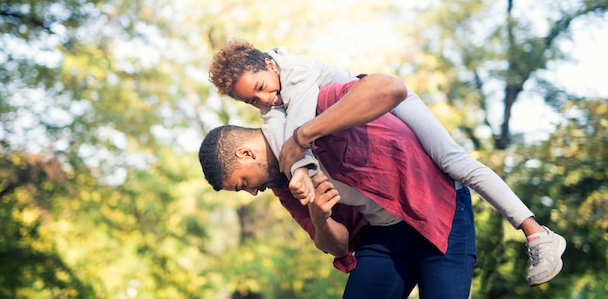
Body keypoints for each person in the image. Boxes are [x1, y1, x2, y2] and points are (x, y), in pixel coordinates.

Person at [208, 39, 566, 287]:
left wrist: (299, 156)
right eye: (253, 100)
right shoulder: (273, 111)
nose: (265, 99)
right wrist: (310, 195)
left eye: (261, 86)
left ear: (270, 64)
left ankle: (537, 233)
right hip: (385, 230)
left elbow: (300, 129)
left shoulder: (301, 78)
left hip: (381, 104)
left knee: (453, 161)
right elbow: (280, 132)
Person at [199, 77, 477, 298]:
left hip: (438, 206)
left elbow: (388, 87)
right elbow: (338, 245)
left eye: (243, 183)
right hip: (384, 234)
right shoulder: (283, 185)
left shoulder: (316, 107)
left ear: (245, 154)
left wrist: (305, 135)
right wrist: (321, 219)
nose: (252, 193)